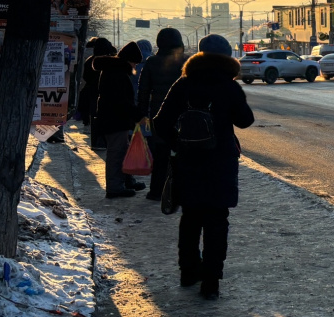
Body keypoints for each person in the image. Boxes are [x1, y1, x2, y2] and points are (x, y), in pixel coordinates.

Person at [153, 34, 255, 300]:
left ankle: (188, 272)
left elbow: (160, 123)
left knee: (190, 218)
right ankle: (211, 282)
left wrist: (180, 143)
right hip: (220, 163)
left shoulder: (183, 83)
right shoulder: (228, 85)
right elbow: (245, 121)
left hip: (188, 162)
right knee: (217, 221)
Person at [136, 28, 185, 201]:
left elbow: (143, 90)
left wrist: (142, 112)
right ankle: (179, 191)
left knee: (160, 154)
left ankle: (156, 191)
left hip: (158, 114)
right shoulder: (185, 61)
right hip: (183, 114)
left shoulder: (151, 62)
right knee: (182, 153)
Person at [93, 42, 144, 198]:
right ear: (129, 60)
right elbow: (122, 101)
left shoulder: (113, 70)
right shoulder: (118, 73)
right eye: (135, 62)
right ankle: (115, 188)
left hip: (112, 118)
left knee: (123, 150)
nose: (135, 65)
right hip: (114, 119)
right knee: (116, 153)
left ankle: (127, 180)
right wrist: (137, 115)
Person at [79, 37, 116, 148]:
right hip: (108, 94)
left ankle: (96, 142)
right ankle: (105, 141)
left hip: (93, 92)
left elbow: (85, 76)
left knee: (94, 116)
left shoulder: (90, 60)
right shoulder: (112, 60)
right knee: (107, 117)